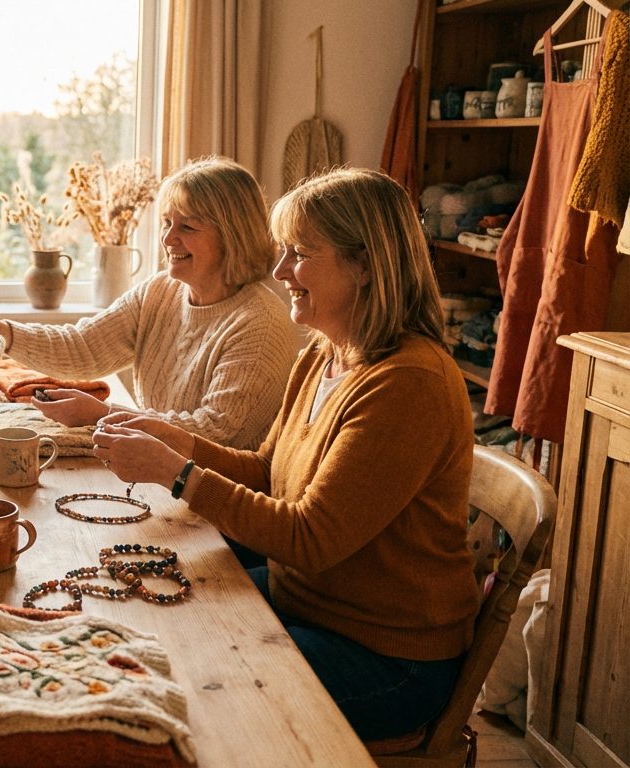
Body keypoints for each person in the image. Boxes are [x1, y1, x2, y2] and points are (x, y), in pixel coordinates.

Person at [92, 168, 480, 742]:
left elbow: (309, 540)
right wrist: (179, 442)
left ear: (365, 264)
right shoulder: (323, 356)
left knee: (188, 681)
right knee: (150, 617)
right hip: (309, 602)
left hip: (386, 653)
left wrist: (177, 473)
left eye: (299, 254)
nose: (279, 272)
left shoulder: (408, 383)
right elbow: (268, 473)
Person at [0, 156, 295, 450]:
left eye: (187, 226)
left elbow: (215, 436)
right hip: (159, 475)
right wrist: (4, 333)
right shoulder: (159, 291)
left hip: (214, 494)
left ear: (233, 236)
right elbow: (83, 346)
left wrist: (102, 414)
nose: (168, 239)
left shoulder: (259, 324)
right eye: (167, 222)